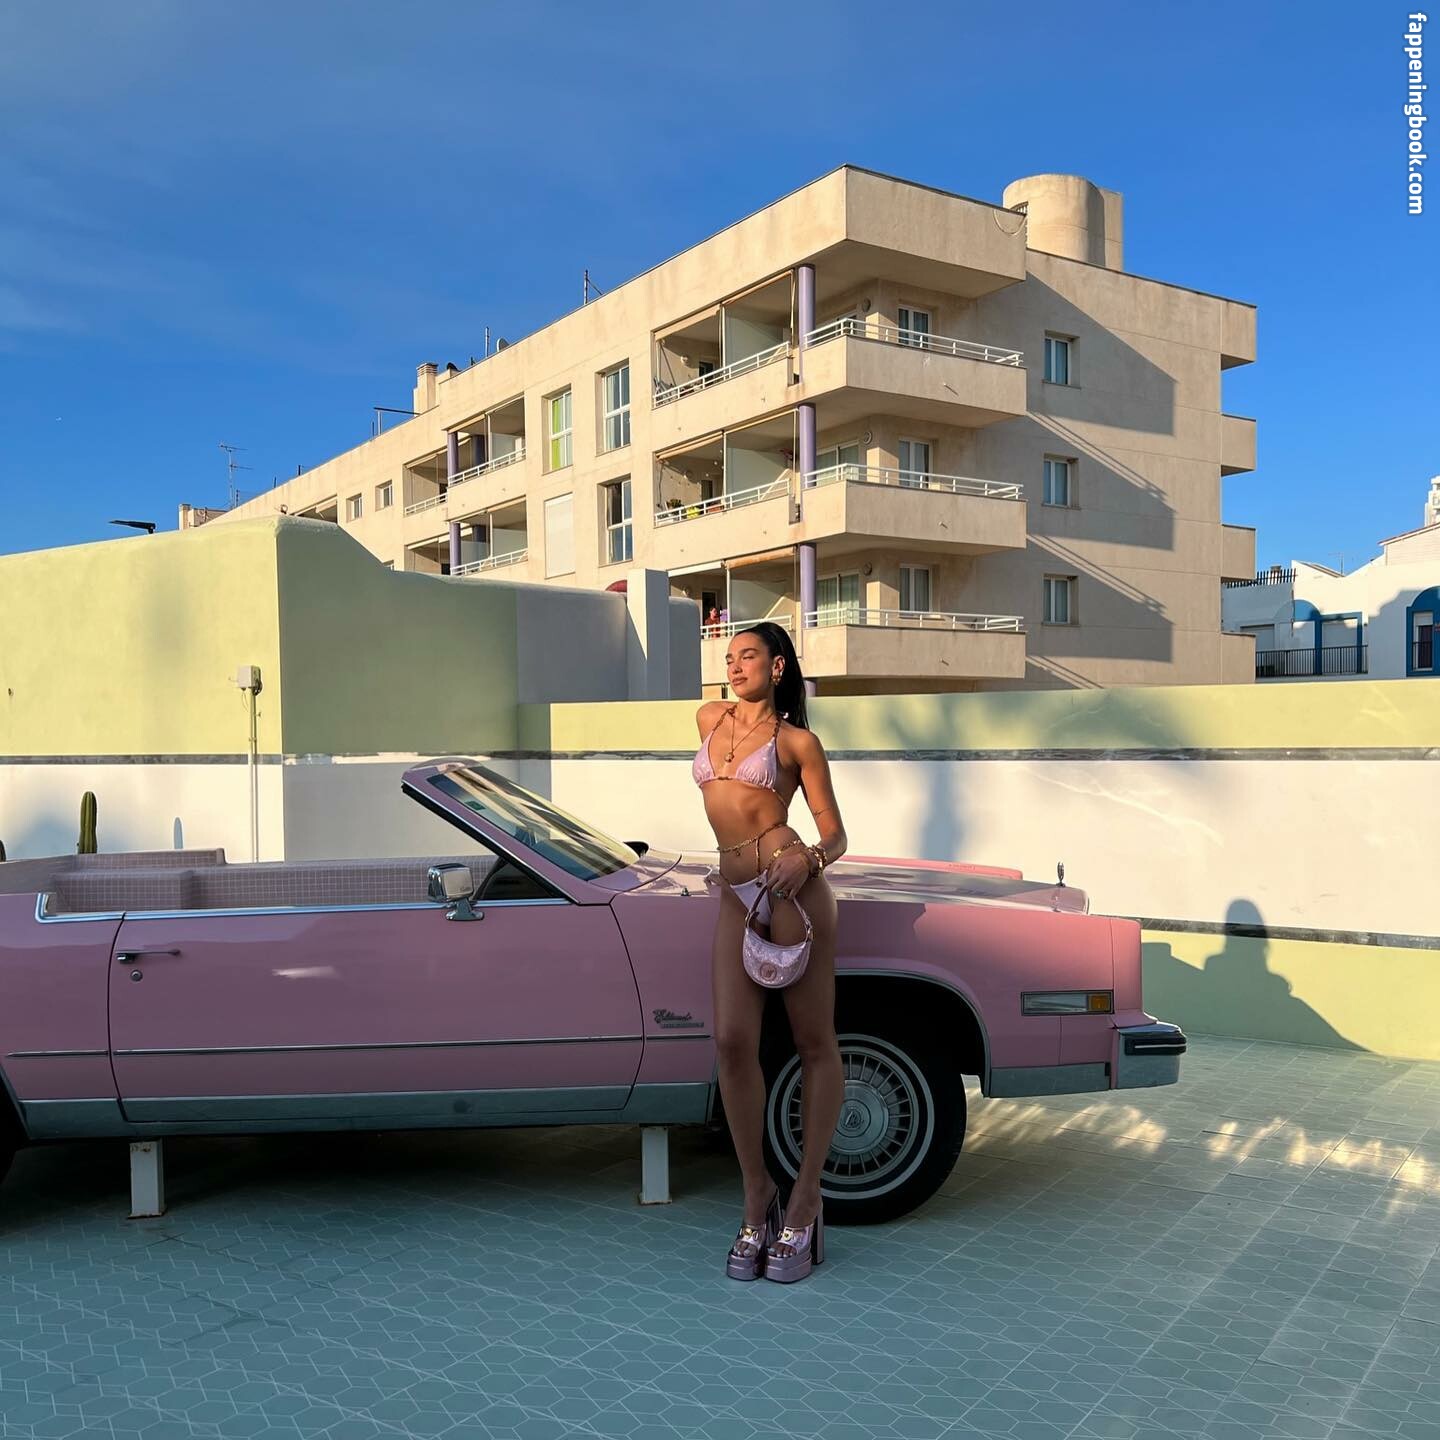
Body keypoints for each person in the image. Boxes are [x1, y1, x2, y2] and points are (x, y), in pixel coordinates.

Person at [692, 622, 847, 1283]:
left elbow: (835, 834)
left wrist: (807, 859)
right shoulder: (708, 718)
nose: (735, 665)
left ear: (777, 666)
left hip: (790, 890)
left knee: (814, 1043)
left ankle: (806, 1199)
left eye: (748, 655)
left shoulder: (797, 742)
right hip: (734, 893)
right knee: (731, 1042)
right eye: (729, 657)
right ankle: (757, 1192)